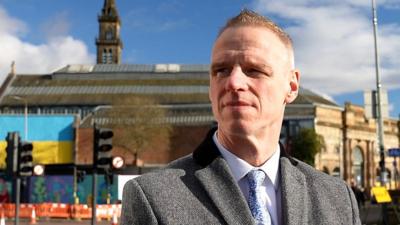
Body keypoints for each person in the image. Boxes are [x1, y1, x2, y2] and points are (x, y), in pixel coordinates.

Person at [121, 9, 361, 225]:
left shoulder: (337, 198)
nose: (234, 82)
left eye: (254, 70)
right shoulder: (152, 197)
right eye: (221, 70)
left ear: (292, 85)